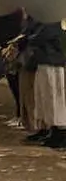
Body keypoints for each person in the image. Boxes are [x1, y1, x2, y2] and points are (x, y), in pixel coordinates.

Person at [25, 16, 66, 149]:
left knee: (54, 98)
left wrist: (30, 37)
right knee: (45, 99)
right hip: (45, 61)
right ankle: (53, 130)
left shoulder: (51, 21)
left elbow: (38, 37)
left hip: (52, 63)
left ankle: (60, 132)